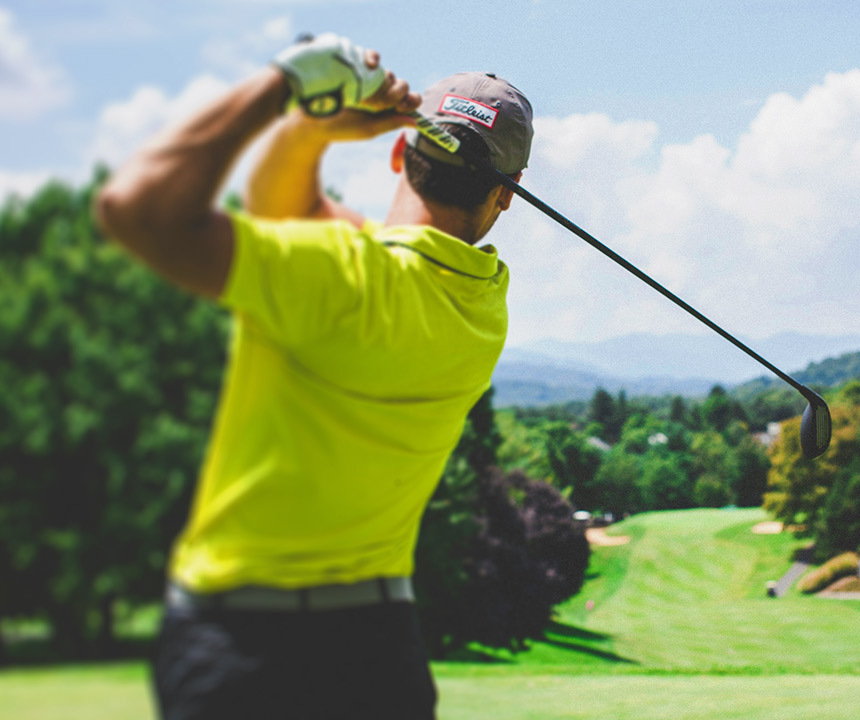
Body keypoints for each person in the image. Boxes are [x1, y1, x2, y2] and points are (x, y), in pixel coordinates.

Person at [94, 32, 534, 720]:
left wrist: (287, 85)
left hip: (243, 650)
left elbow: (135, 208)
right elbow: (290, 215)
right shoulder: (482, 309)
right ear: (506, 197)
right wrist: (305, 132)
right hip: (380, 654)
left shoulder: (337, 276)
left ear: (398, 151)